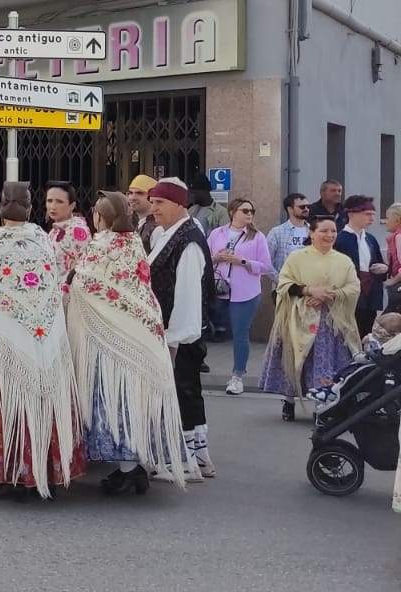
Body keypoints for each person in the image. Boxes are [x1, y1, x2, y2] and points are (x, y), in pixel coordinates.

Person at [0, 180, 82, 500]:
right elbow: (52, 290)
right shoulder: (43, 241)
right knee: (34, 406)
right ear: (32, 208)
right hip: (37, 344)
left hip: (0, 343)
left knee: (2, 406)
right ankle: (37, 473)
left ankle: (4, 474)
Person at [65, 192, 188, 496]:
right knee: (135, 401)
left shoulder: (100, 245)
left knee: (112, 402)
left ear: (100, 218)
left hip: (109, 342)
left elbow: (84, 286)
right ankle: (135, 466)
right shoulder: (134, 243)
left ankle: (129, 470)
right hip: (141, 333)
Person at [145, 178, 216, 481]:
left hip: (181, 334)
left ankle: (184, 463)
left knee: (181, 393)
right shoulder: (167, 233)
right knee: (187, 393)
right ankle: (199, 459)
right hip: (176, 332)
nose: (153, 207)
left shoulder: (188, 241)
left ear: (177, 203)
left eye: (159, 202)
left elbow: (188, 294)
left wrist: (174, 340)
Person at [264, 217, 361, 423]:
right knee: (296, 358)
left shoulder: (343, 261)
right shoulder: (297, 257)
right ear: (312, 233)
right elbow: (284, 284)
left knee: (325, 362)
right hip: (299, 317)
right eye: (324, 231)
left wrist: (330, 295)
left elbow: (353, 287)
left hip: (329, 321)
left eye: (333, 231)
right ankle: (288, 400)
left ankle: (323, 406)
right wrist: (308, 291)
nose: (329, 235)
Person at [208, 199, 273, 395]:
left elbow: (266, 266)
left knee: (240, 333)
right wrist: (216, 258)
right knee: (204, 329)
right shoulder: (217, 233)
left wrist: (242, 261)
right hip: (218, 288)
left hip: (245, 292)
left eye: (252, 210)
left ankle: (238, 376)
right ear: (232, 212)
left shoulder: (257, 236)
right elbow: (203, 258)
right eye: (245, 210)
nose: (249, 213)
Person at [336, 195, 386, 336]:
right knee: (350, 331)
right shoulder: (340, 240)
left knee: (367, 330)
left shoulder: (371, 239)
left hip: (370, 292)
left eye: (373, 215)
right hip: (350, 293)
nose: (372, 219)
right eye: (367, 214)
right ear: (351, 214)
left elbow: (379, 261)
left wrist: (383, 268)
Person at [45, 181, 90, 279]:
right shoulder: (56, 229)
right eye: (49, 201)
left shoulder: (76, 231)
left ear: (72, 205)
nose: (53, 206)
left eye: (59, 201)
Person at [267, 193, 312, 276]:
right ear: (290, 209)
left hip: (309, 282)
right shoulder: (277, 232)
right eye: (302, 207)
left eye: (308, 206)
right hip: (286, 283)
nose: (306, 209)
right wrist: (280, 280)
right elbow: (266, 260)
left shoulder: (313, 230)